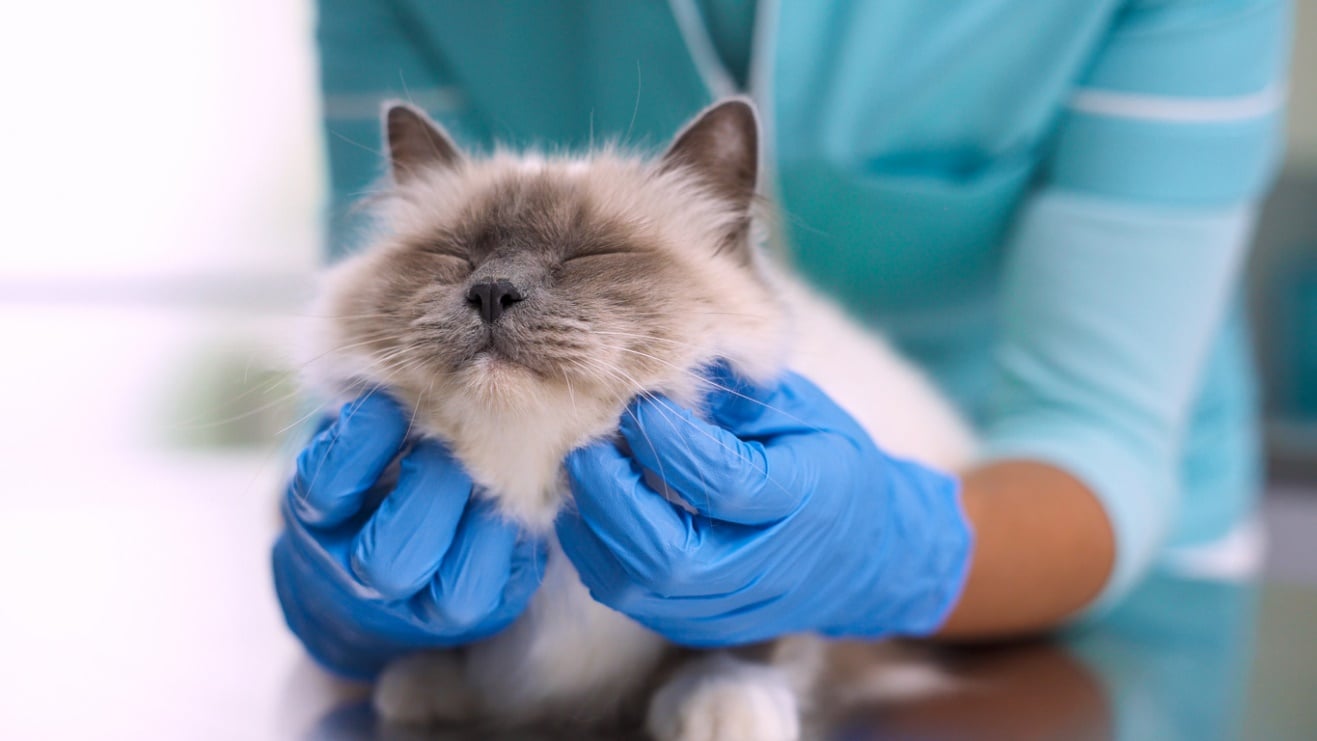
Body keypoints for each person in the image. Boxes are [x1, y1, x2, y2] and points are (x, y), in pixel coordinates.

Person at [273, 0, 1292, 679]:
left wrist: (899, 541)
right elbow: (371, 328)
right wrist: (350, 573)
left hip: (1067, 537)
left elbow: (1098, 421)